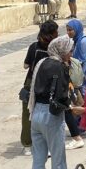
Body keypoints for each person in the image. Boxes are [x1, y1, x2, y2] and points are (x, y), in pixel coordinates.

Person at [29, 34, 73, 169]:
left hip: (36, 113)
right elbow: (62, 94)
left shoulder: (42, 63)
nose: (70, 54)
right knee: (58, 159)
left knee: (38, 159)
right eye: (69, 50)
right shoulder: (60, 67)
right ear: (62, 51)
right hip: (51, 116)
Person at [20, 19, 58, 155]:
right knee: (45, 113)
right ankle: (45, 145)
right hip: (47, 83)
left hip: (30, 82)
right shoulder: (54, 48)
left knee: (27, 113)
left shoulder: (34, 46)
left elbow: (25, 65)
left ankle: (27, 144)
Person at [66, 19, 86, 92]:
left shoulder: (83, 42)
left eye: (70, 30)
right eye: (67, 30)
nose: (68, 32)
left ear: (76, 29)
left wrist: (79, 79)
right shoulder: (76, 41)